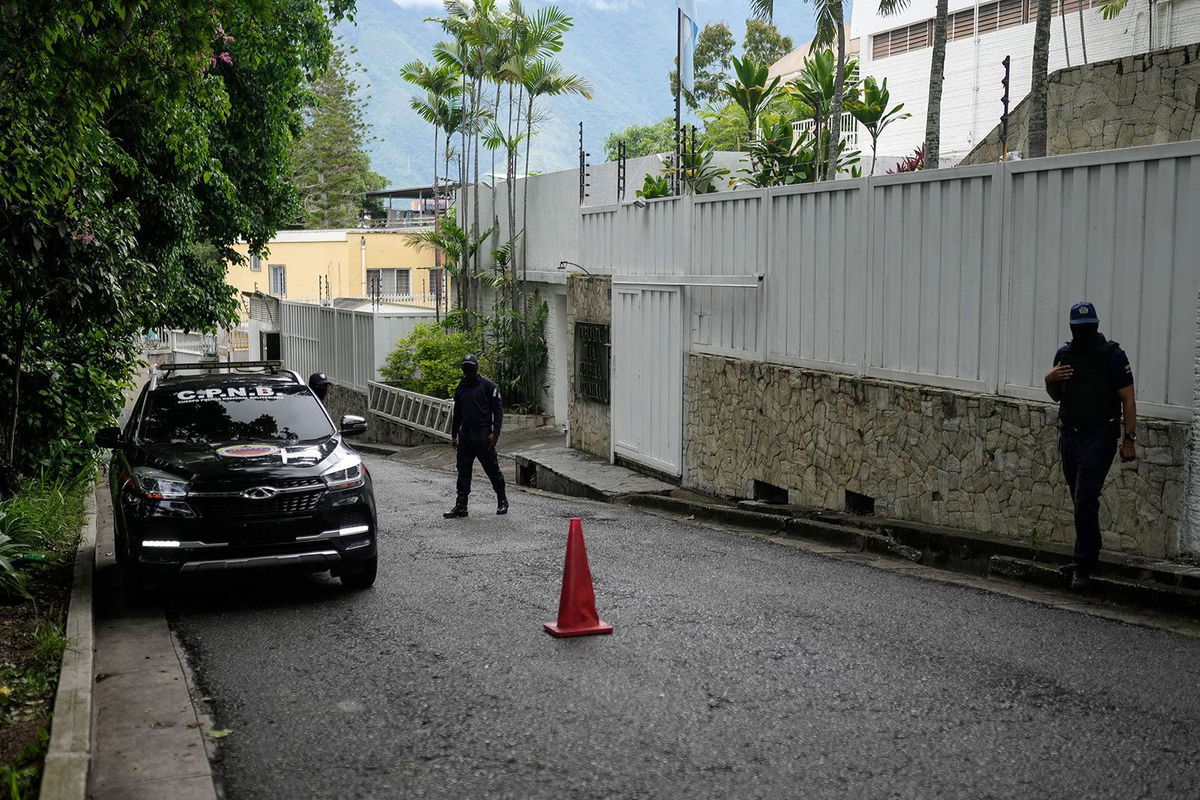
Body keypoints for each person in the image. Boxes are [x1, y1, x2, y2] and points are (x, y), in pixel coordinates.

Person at [1044, 301, 1136, 589]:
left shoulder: (1112, 355)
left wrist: (1129, 440)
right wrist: (1049, 379)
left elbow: (1128, 399)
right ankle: (1085, 556)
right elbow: (1056, 397)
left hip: (1099, 435)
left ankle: (1084, 563)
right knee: (1080, 499)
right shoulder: (1065, 354)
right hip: (1070, 434)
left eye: (1088, 326)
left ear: (1096, 325)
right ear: (1072, 328)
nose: (1084, 331)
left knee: (1085, 498)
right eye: (1079, 327)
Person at [444, 354, 508, 518]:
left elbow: (498, 411)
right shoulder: (462, 387)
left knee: (492, 469)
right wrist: (453, 435)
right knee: (463, 471)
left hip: (483, 435)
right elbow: (456, 413)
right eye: (465, 367)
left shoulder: (488, 386)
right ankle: (461, 505)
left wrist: (496, 433)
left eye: (470, 367)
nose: (468, 370)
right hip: (465, 435)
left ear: (476, 368)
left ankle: (502, 500)